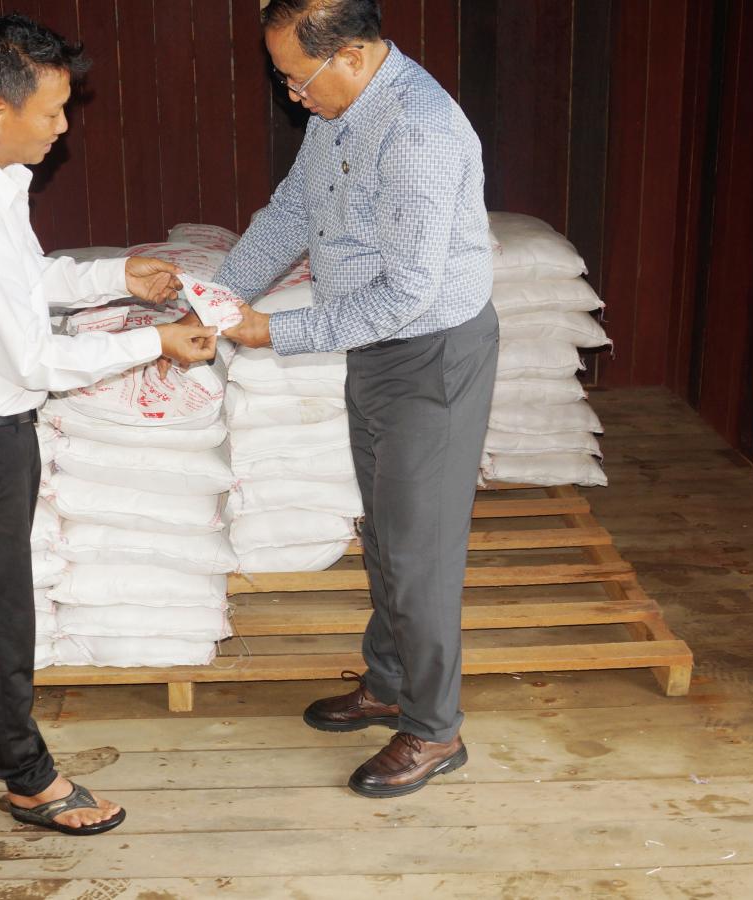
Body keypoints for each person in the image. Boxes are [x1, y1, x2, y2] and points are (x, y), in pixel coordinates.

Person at [0, 14, 216, 836]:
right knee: (0, 604)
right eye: (54, 111)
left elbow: (22, 281)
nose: (64, 126)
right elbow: (33, 359)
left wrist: (116, 277)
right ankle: (28, 777)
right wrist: (156, 343)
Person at [219, 0, 498, 798]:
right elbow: (293, 212)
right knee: (386, 532)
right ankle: (389, 683)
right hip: (376, 346)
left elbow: (409, 293)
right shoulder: (337, 114)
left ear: (350, 55)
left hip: (430, 354)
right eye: (283, 79)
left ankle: (435, 730)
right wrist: (222, 295)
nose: (291, 95)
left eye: (295, 78)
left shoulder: (418, 131)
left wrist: (274, 331)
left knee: (419, 552)